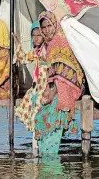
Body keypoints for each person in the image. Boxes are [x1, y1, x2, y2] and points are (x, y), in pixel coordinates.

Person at [34, 11, 85, 155]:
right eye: (43, 28)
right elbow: (53, 73)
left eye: (49, 26)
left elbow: (63, 71)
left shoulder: (60, 39)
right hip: (58, 83)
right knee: (42, 109)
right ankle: (47, 149)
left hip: (72, 83)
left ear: (54, 24)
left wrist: (52, 92)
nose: (46, 30)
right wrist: (48, 90)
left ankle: (50, 151)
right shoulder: (49, 44)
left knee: (55, 109)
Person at [14, 21, 48, 133]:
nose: (36, 38)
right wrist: (17, 44)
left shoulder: (47, 51)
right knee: (24, 108)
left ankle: (37, 136)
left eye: (39, 35)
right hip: (36, 87)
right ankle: (35, 137)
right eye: (33, 36)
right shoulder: (35, 52)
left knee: (36, 113)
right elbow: (23, 59)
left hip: (45, 88)